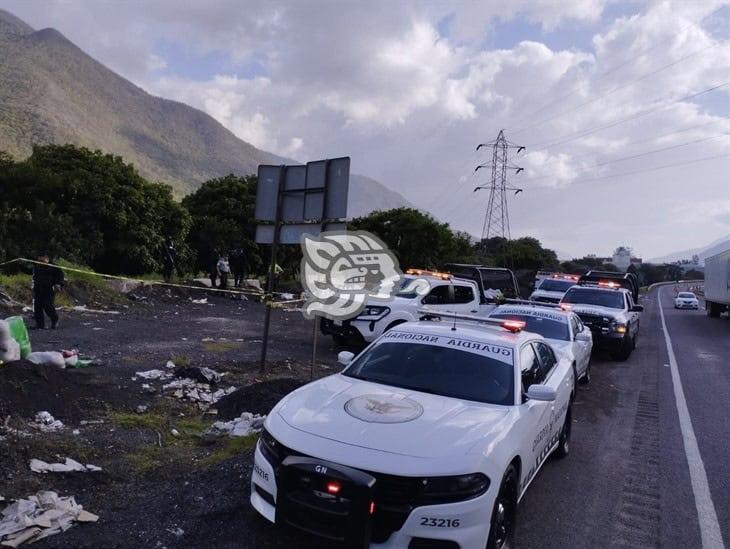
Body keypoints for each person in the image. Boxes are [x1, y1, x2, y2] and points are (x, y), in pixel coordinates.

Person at [32, 254, 64, 330]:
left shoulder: (54, 267)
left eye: (42, 260)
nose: (40, 262)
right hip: (38, 289)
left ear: (47, 258)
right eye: (39, 260)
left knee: (47, 305)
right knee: (37, 307)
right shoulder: (36, 266)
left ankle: (54, 319)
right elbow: (28, 271)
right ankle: (40, 324)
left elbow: (60, 276)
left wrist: (58, 284)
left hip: (49, 289)